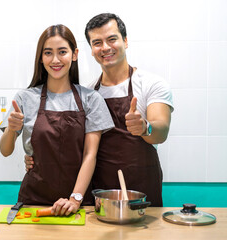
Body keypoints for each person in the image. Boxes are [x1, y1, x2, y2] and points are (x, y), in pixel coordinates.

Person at [25, 13, 173, 207]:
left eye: (112, 39)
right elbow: (77, 146)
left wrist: (145, 128)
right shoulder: (88, 94)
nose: (105, 48)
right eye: (97, 43)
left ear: (125, 41)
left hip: (141, 188)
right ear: (91, 50)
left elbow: (161, 131)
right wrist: (36, 155)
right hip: (99, 192)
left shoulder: (151, 84)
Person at [0, 24, 114, 215]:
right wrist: (11, 129)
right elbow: (5, 151)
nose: (55, 60)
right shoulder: (24, 98)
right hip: (33, 203)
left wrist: (75, 198)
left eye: (62, 52)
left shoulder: (91, 99)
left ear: (74, 54)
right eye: (48, 53)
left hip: (77, 203)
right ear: (41, 58)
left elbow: (89, 155)